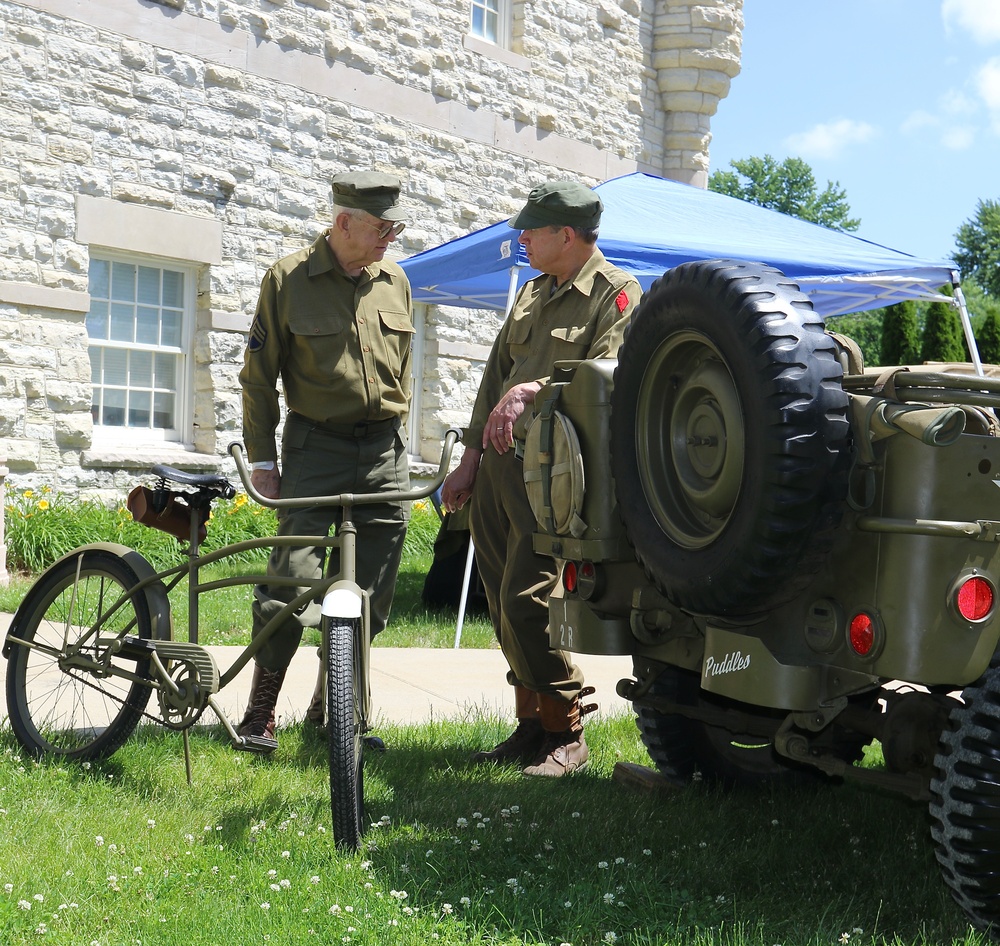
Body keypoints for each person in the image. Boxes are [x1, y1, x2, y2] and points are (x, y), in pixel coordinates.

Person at [441, 180, 640, 777]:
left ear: (568, 235)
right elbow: (492, 380)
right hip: (501, 468)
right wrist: (469, 459)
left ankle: (568, 725)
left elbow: (612, 377)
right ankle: (531, 725)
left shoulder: (618, 294)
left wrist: (538, 388)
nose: (522, 238)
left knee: (527, 599)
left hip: (557, 475)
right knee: (500, 599)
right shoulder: (532, 292)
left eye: (533, 230)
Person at [237, 170, 414, 751]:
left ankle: (340, 714)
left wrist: (401, 443)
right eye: (382, 227)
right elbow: (258, 381)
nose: (391, 237)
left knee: (372, 591)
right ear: (343, 223)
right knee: (292, 581)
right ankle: (259, 713)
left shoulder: (396, 282)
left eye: (394, 225)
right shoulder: (287, 279)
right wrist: (263, 459)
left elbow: (405, 369)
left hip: (383, 454)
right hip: (316, 450)